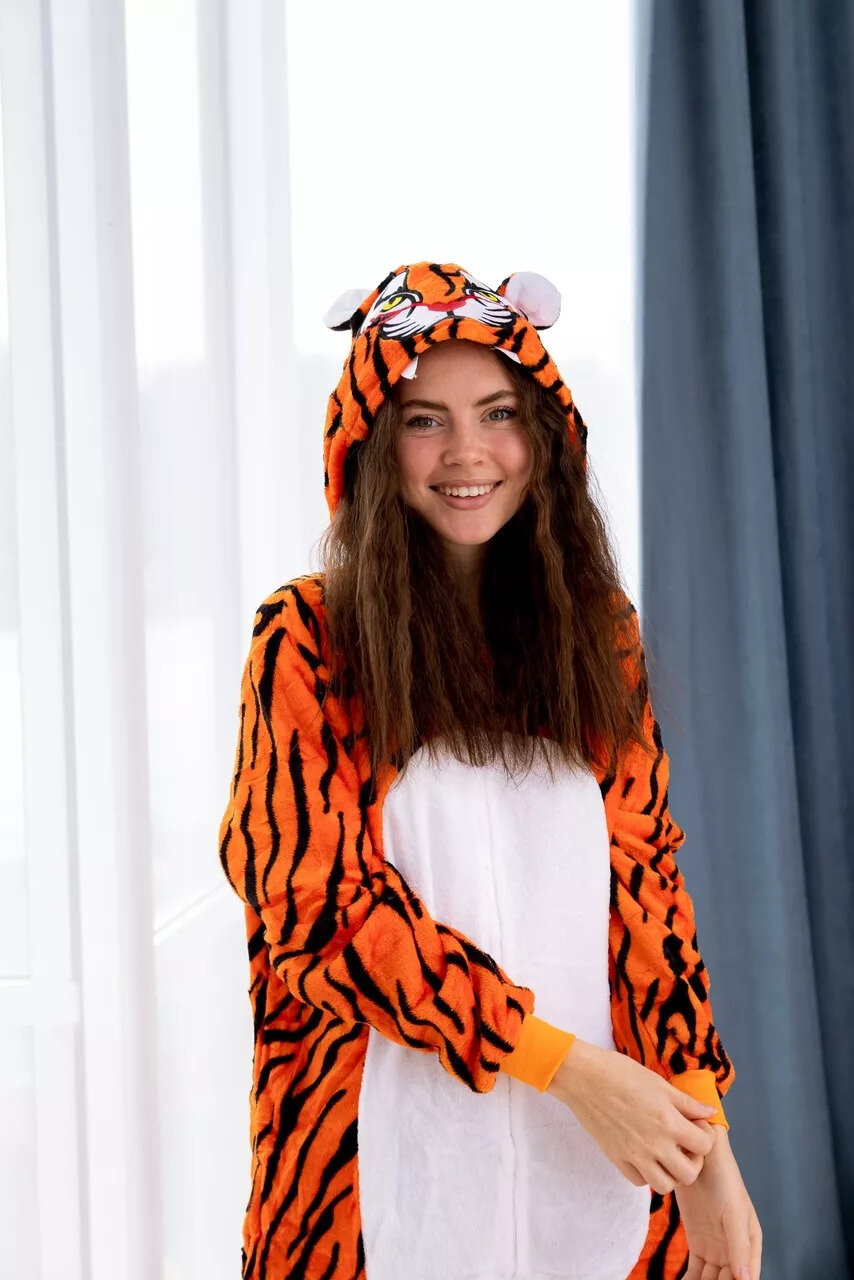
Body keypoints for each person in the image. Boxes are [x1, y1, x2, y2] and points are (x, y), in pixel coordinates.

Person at [218, 261, 761, 1280]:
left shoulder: (598, 635)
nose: (466, 453)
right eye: (423, 420)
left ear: (542, 433)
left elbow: (644, 890)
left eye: (497, 413)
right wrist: (572, 1072)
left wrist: (704, 1147)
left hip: (599, 1164)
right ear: (370, 441)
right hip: (373, 1184)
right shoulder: (308, 639)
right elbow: (317, 911)